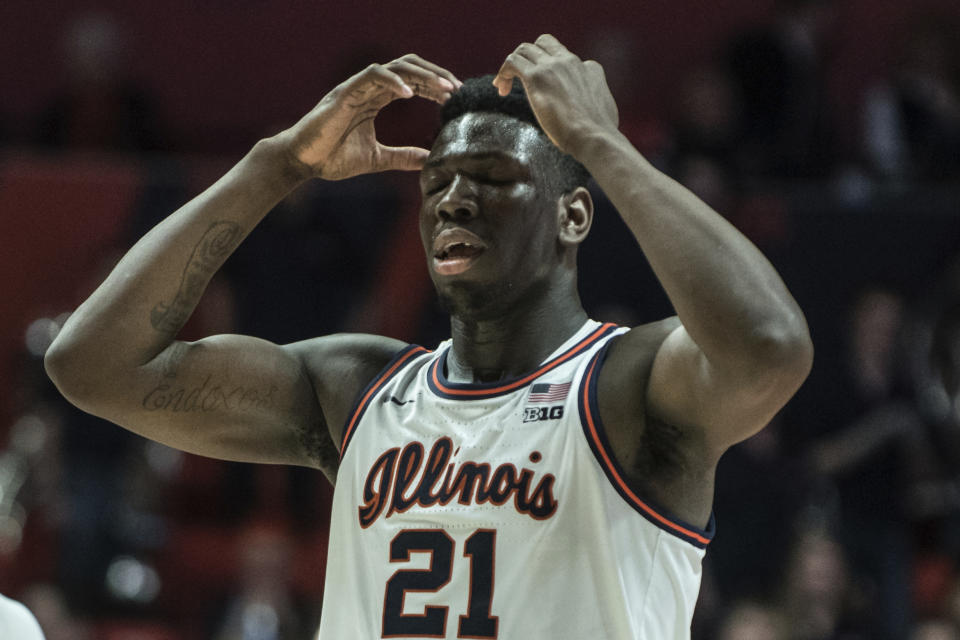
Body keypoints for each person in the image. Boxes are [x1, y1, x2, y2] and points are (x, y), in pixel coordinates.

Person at [44, 35, 813, 639]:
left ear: (572, 215)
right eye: (437, 182)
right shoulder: (356, 387)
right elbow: (92, 367)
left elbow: (771, 345)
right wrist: (276, 165)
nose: (455, 201)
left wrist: (599, 144)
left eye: (491, 178)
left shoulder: (625, 384)